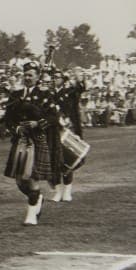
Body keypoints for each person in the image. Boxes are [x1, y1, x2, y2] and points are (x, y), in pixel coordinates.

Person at [2, 61, 62, 226]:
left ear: (37, 77)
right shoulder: (16, 94)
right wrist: (15, 128)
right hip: (20, 140)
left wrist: (38, 124)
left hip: (37, 139)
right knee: (20, 181)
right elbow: (7, 118)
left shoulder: (45, 94)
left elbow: (53, 117)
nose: (27, 78)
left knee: (32, 176)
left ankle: (31, 215)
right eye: (26, 74)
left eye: (31, 75)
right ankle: (37, 198)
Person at [49, 68, 85, 202]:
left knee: (67, 161)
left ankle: (67, 191)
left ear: (62, 80)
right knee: (53, 162)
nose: (55, 80)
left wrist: (79, 79)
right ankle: (58, 191)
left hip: (66, 130)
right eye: (53, 77)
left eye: (57, 77)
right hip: (52, 129)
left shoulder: (69, 92)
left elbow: (79, 89)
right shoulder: (48, 93)